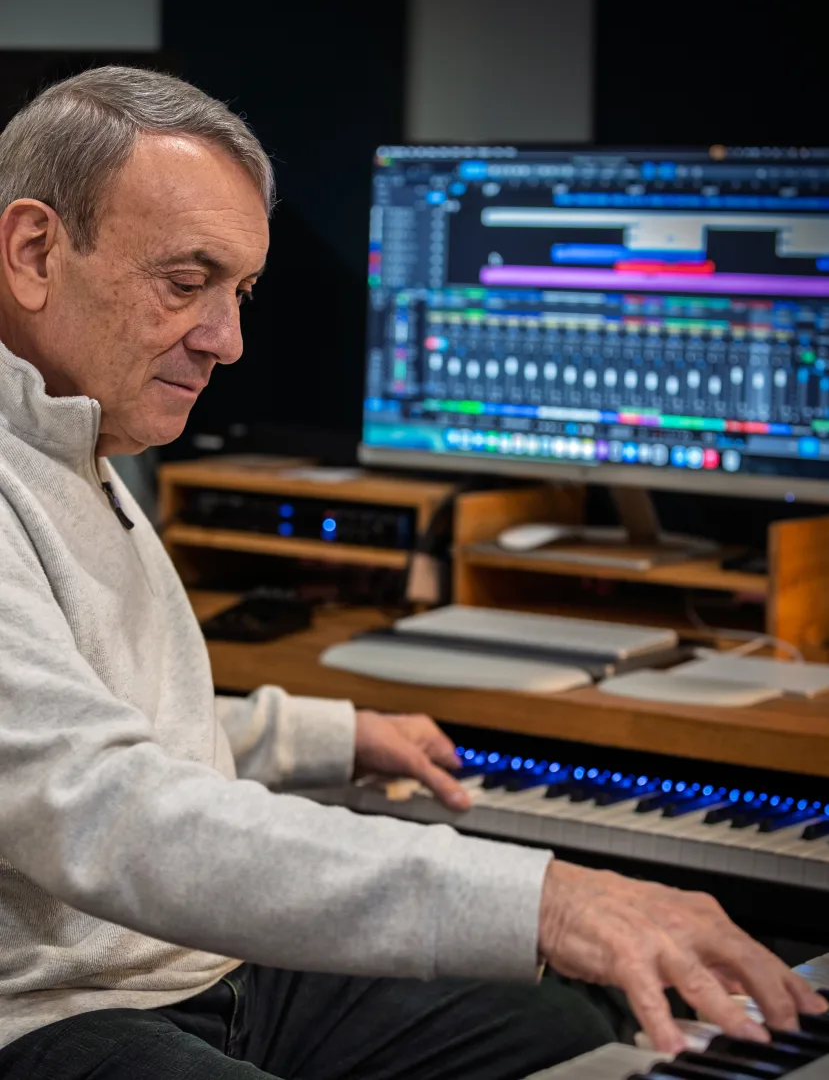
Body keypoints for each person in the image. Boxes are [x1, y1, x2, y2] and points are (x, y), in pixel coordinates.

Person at [0, 67, 822, 1080]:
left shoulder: (76, 435)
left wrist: (325, 731)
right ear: (34, 250)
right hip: (45, 1006)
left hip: (207, 968)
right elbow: (103, 807)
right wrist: (546, 897)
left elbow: (95, 714)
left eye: (239, 292)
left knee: (557, 1032)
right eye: (186, 281)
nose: (229, 340)